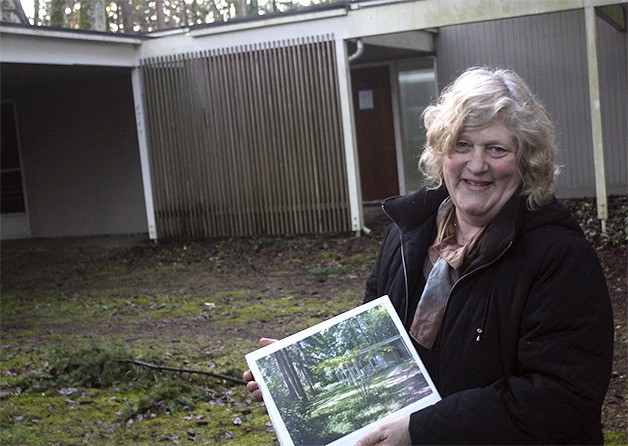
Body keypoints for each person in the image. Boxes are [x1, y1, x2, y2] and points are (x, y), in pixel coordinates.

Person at [244, 66, 614, 445]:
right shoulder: (408, 235)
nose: (477, 164)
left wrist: (422, 430)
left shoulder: (558, 257)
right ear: (441, 152)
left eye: (497, 149)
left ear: (526, 161)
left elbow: (562, 398)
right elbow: (382, 346)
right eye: (462, 145)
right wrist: (302, 373)